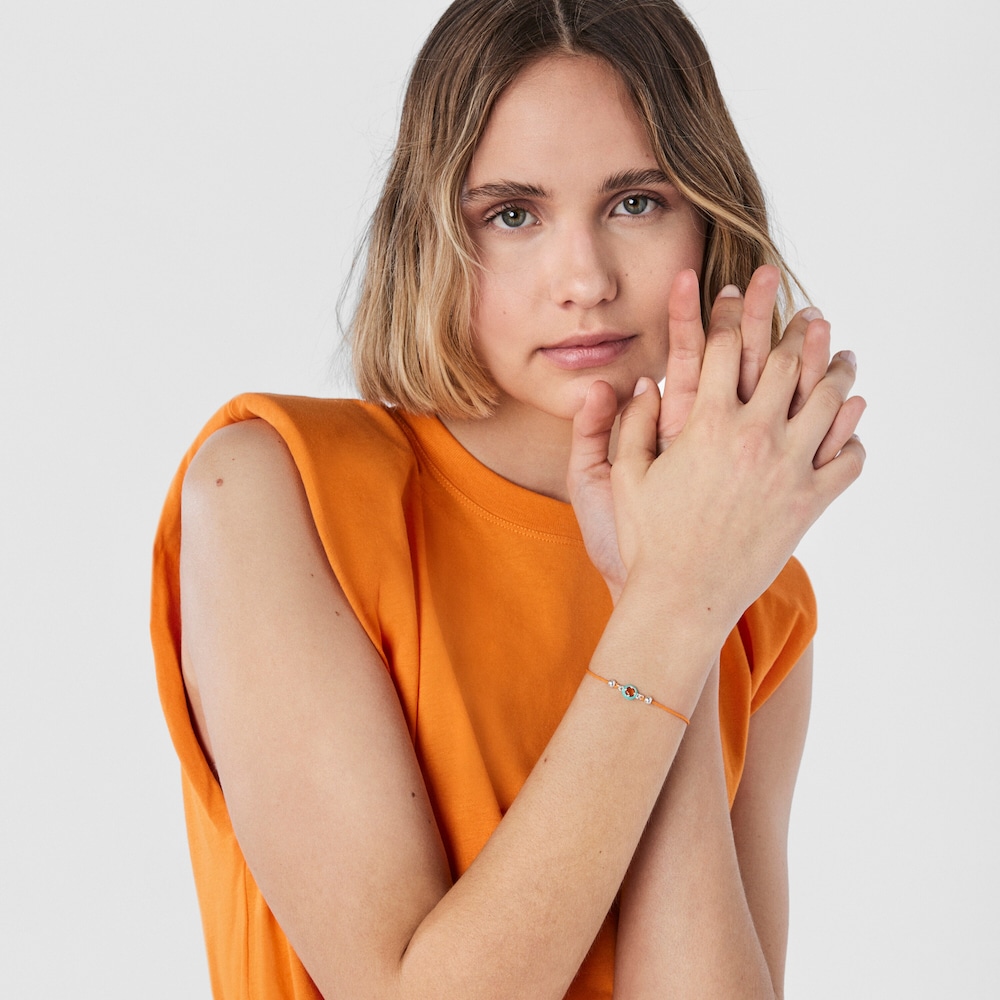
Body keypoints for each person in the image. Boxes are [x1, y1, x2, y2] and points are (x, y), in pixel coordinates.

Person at [151, 1, 866, 996]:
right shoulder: (278, 487)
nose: (583, 278)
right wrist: (669, 610)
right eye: (513, 214)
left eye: (636, 201)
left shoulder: (758, 599)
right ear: (435, 235)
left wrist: (688, 591)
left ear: (709, 216)